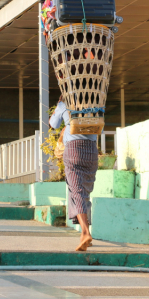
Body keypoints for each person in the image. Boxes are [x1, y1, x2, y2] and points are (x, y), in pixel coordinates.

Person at [50, 97, 98, 252]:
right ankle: (86, 233)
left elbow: (53, 124)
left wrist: (59, 107)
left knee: (76, 192)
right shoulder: (95, 102)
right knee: (84, 193)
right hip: (91, 151)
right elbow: (100, 128)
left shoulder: (65, 103)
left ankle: (85, 233)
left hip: (73, 150)